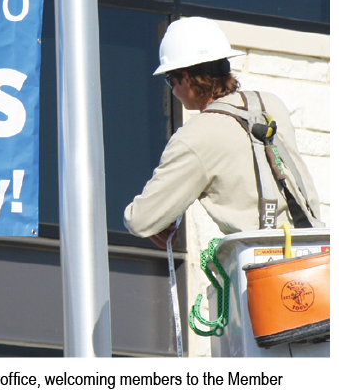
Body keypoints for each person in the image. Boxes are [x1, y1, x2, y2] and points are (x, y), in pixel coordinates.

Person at [124, 17, 322, 248]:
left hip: (262, 270)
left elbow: (141, 220)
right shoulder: (270, 104)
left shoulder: (194, 138)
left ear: (186, 78)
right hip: (316, 257)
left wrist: (161, 216)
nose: (173, 91)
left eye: (171, 81)